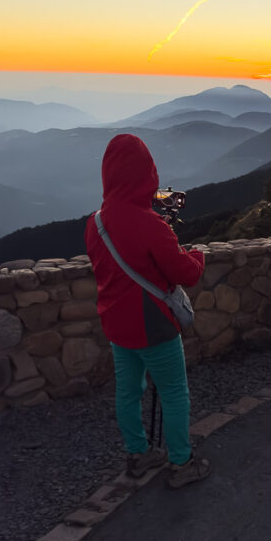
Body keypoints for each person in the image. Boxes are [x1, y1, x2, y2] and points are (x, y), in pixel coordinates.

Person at [85, 134, 210, 489]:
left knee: (127, 390)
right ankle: (182, 463)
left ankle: (138, 454)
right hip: (152, 324)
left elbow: (119, 261)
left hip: (115, 323)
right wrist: (196, 254)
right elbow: (186, 273)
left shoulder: (95, 224)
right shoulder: (152, 225)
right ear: (147, 174)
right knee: (173, 392)